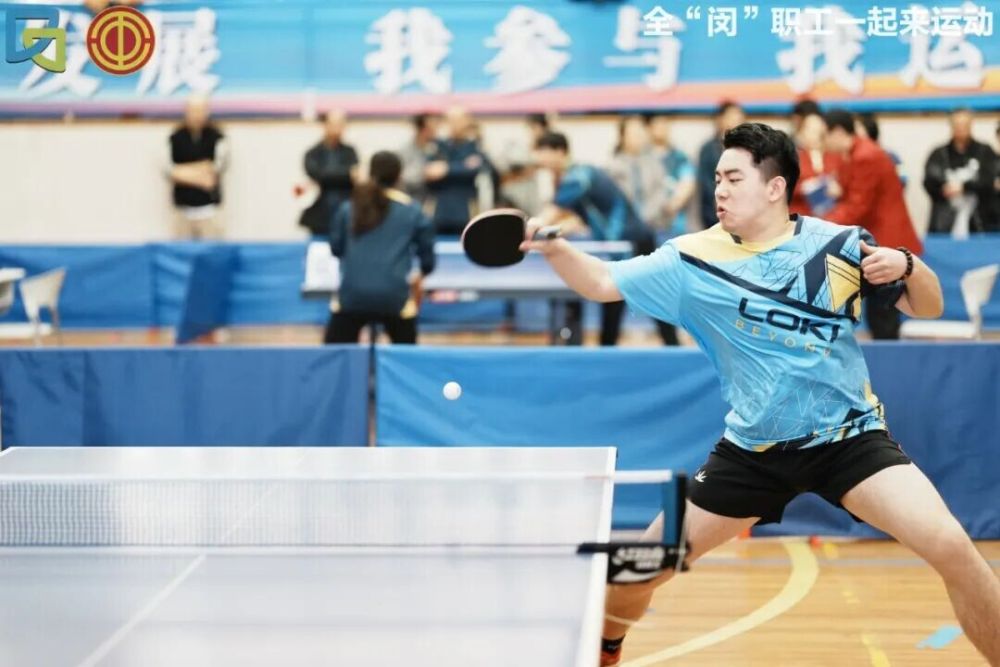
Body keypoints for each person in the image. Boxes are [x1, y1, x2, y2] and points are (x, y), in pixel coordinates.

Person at [520, 122, 1000, 667]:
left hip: (850, 441)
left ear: (775, 187)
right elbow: (602, 282)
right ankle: (608, 646)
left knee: (954, 548)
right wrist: (555, 248)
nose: (719, 190)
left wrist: (910, 266)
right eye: (716, 179)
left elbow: (929, 307)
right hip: (753, 453)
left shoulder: (839, 245)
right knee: (640, 569)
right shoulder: (690, 259)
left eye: (733, 178)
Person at [532, 131, 675, 346]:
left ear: (560, 152)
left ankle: (670, 349)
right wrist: (549, 235)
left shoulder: (578, 176)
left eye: (542, 151)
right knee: (621, 301)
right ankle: (611, 349)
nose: (538, 157)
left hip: (633, 241)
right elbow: (578, 221)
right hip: (624, 242)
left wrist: (529, 230)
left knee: (647, 300)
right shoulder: (572, 177)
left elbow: (550, 213)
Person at [823, 109, 923, 340]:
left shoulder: (864, 156)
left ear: (837, 132)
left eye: (824, 135)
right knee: (878, 312)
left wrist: (819, 224)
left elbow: (857, 207)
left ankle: (888, 358)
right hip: (877, 240)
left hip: (887, 240)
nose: (822, 142)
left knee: (883, 312)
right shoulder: (853, 154)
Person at [324, 151, 435, 345]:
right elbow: (428, 258)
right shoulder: (412, 210)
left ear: (370, 174)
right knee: (407, 353)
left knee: (334, 353)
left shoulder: (348, 207)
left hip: (352, 297)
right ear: (399, 176)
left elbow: (336, 248)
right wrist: (421, 273)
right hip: (395, 297)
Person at [923, 108, 998, 237]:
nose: (961, 129)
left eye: (964, 125)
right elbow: (929, 181)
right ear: (951, 126)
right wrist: (944, 188)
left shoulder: (985, 152)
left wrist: (964, 187)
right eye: (957, 125)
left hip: (981, 223)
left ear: (971, 125)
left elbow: (990, 181)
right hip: (944, 223)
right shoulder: (939, 154)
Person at [167, 94, 228, 240]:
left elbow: (215, 171)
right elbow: (170, 171)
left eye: (200, 110)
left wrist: (184, 172)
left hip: (210, 210)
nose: (197, 115)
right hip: (182, 210)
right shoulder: (175, 137)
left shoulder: (218, 137)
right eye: (193, 110)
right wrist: (201, 170)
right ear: (186, 111)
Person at [424, 106, 492, 235]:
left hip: (466, 211)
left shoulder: (474, 146)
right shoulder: (438, 146)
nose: (455, 124)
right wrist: (462, 166)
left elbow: (475, 169)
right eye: (451, 120)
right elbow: (429, 171)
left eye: (459, 120)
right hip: (440, 212)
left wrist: (446, 169)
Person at [300, 110, 359, 237]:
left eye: (341, 124)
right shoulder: (313, 153)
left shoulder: (350, 152)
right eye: (334, 124)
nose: (338, 128)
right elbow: (317, 175)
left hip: (347, 213)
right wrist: (346, 175)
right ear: (325, 125)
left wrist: (327, 175)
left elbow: (355, 175)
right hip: (320, 216)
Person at [646, 113, 696, 239]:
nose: (661, 128)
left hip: (675, 224)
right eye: (657, 124)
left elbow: (688, 183)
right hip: (648, 224)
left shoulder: (680, 157)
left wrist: (672, 205)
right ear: (649, 128)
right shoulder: (642, 158)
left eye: (664, 124)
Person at [697, 101, 745, 228]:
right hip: (714, 213)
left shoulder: (747, 149)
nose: (736, 121)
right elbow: (706, 183)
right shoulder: (708, 149)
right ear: (720, 119)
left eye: (739, 117)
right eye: (731, 116)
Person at [789, 110, 841, 218]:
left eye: (818, 130)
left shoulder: (836, 156)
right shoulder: (794, 158)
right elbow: (786, 188)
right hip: (802, 215)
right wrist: (804, 187)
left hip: (833, 216)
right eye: (810, 129)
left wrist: (839, 188)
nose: (816, 134)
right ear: (802, 132)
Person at [399, 113, 441, 205]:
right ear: (422, 129)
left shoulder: (436, 149)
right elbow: (402, 177)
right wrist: (424, 174)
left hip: (432, 201)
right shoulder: (405, 151)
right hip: (410, 200)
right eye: (432, 128)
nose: (436, 132)